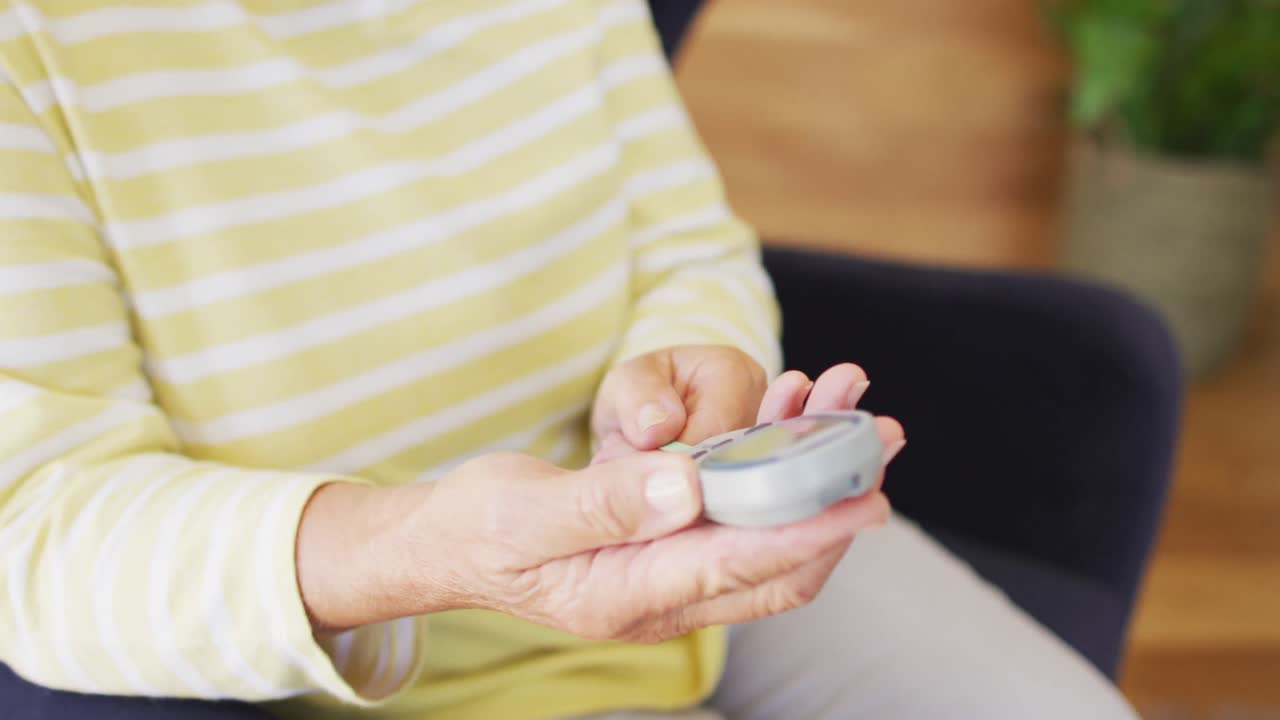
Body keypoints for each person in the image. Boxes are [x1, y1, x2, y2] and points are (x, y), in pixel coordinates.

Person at [0, 1, 1140, 718]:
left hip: (685, 523)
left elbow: (689, 246)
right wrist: (414, 553)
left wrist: (689, 364)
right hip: (373, 665)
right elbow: (37, 531)